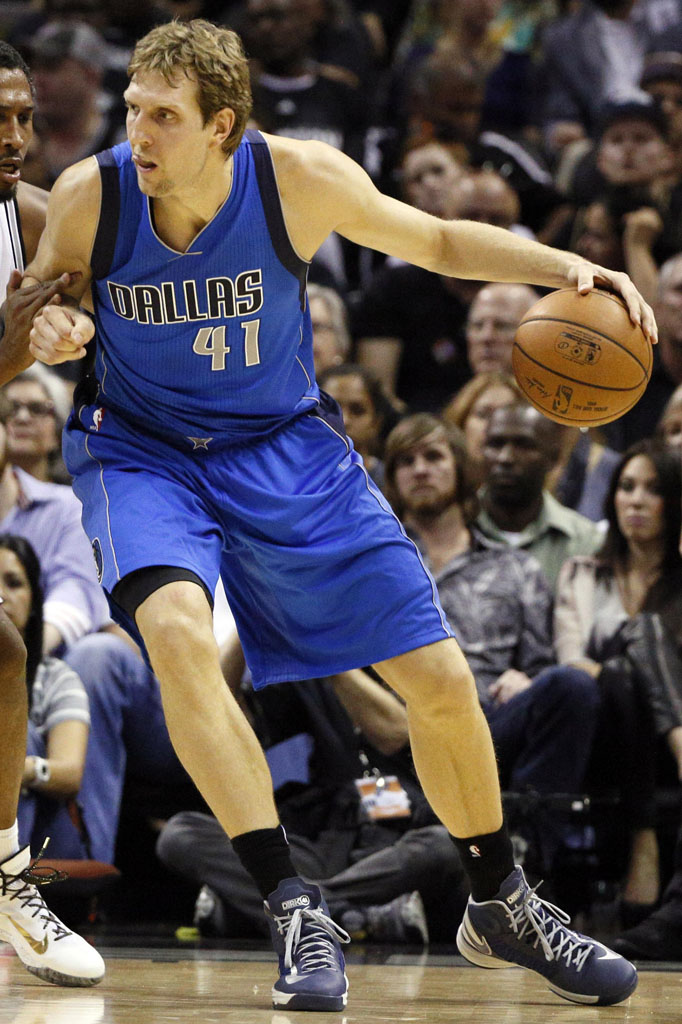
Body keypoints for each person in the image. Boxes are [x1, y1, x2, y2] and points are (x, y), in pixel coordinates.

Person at [25, 19, 654, 1011]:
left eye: (163, 117)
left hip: (283, 443)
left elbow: (438, 240)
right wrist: (57, 325)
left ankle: (498, 901)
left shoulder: (298, 180)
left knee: (441, 679)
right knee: (180, 639)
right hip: (139, 449)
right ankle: (290, 903)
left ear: (221, 125)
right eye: (132, 109)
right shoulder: (89, 196)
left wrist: (566, 272)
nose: (135, 131)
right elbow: (38, 317)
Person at [383, 413, 601, 875]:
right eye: (406, 461)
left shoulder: (513, 566)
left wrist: (527, 678)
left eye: (433, 457)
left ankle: (521, 847)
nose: (420, 469)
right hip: (400, 729)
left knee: (571, 687)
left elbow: (544, 662)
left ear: (462, 469)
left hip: (489, 721)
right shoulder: (376, 570)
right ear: (392, 479)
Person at [0, 39, 105, 988]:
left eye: (27, 116)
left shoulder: (32, 217)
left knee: (3, 650)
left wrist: (78, 328)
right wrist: (12, 345)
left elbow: (91, 315)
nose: (19, 137)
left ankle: (4, 879)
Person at [554, 440, 682, 918]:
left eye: (652, 489)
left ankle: (643, 835)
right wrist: (613, 673)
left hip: (656, 749)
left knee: (644, 636)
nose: (636, 500)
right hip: (603, 736)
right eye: (626, 487)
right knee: (625, 665)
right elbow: (571, 660)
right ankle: (645, 831)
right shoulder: (582, 573)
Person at [4, 534, 91, 860]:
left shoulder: (56, 677)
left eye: (14, 583)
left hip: (50, 836)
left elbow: (70, 773)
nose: (0, 596)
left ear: (35, 600)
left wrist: (21, 768)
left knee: (12, 731)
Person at [475, 403, 604, 590]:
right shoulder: (453, 530)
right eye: (496, 444)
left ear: (554, 457)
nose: (505, 458)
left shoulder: (586, 543)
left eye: (524, 445)